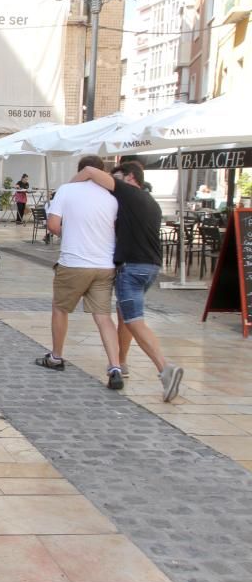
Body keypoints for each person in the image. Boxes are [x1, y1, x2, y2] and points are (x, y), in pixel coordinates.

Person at [71, 159, 184, 402]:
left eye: (117, 178)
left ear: (131, 178)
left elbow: (90, 171)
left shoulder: (128, 193)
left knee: (134, 320)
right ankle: (121, 361)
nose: (113, 184)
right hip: (150, 267)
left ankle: (165, 369)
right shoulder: (150, 202)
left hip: (131, 268)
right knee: (125, 316)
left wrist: (69, 190)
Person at [34, 156, 124, 390]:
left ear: (80, 170)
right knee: (103, 316)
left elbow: (53, 226)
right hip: (104, 265)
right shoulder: (112, 197)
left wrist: (72, 232)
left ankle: (56, 356)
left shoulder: (66, 190)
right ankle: (115, 366)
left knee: (60, 309)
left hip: (74, 262)